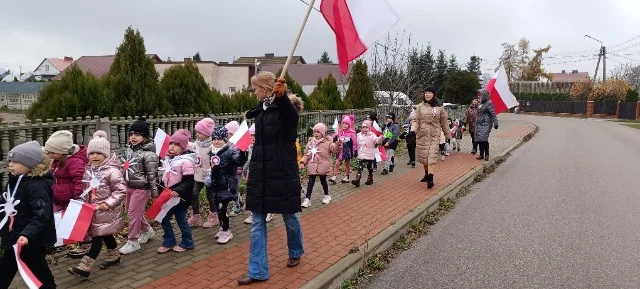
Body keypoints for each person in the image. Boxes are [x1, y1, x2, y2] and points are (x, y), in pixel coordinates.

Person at [239, 72, 304, 285]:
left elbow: (292, 118)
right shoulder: (260, 111)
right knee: (257, 223)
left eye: (256, 88)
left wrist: (283, 97)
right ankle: (257, 271)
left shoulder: (286, 109)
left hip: (282, 173)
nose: (254, 92)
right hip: (262, 172)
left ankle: (295, 250)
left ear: (266, 88)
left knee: (289, 217)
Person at [69, 131, 126, 279]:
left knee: (97, 237)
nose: (94, 156)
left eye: (98, 153)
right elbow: (86, 189)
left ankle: (85, 267)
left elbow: (120, 191)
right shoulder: (89, 170)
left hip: (106, 210)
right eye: (91, 153)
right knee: (105, 234)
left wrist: (108, 203)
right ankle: (115, 256)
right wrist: (81, 200)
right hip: (92, 210)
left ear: (106, 154)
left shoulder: (113, 171)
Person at [0, 141, 57, 289]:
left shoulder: (36, 186)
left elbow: (42, 214)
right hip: (14, 236)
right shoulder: (13, 182)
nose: (11, 164)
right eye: (10, 161)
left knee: (39, 271)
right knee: (6, 269)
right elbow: (5, 204)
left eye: (16, 161)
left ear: (31, 164)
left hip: (31, 241)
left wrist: (28, 234)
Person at [45, 130, 89, 258]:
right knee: (59, 220)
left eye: (52, 152)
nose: (50, 155)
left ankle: (86, 243)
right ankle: (62, 241)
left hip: (72, 199)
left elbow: (79, 180)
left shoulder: (75, 162)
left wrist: (79, 197)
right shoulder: (57, 161)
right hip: (59, 198)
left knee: (77, 222)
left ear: (62, 151)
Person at [118, 118, 159, 255]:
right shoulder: (129, 150)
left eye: (137, 134)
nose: (133, 137)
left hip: (142, 188)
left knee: (132, 213)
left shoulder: (149, 154)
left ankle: (133, 241)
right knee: (134, 212)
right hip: (129, 186)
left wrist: (155, 194)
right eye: (131, 134)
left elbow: (153, 176)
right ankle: (147, 231)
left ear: (145, 136)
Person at [205, 126, 247, 244]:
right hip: (216, 185)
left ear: (225, 139)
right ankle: (222, 227)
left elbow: (239, 161)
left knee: (222, 209)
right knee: (219, 208)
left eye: (219, 139)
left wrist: (243, 152)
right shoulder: (212, 151)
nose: (216, 141)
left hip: (227, 186)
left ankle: (226, 231)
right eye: (214, 139)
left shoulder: (230, 151)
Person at [157, 129, 196, 253]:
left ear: (183, 147)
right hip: (168, 197)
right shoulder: (167, 160)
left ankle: (187, 241)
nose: (172, 146)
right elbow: (164, 178)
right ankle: (169, 240)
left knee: (181, 220)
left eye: (176, 145)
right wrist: (160, 191)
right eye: (171, 143)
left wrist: (178, 190)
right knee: (163, 218)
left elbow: (189, 181)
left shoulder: (186, 161)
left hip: (180, 198)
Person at [410, 86, 451, 189]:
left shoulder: (439, 107)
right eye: (425, 93)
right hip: (422, 135)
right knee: (424, 157)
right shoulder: (420, 106)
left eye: (429, 92)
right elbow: (416, 120)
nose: (427, 94)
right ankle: (426, 173)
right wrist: (413, 130)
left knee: (432, 156)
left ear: (433, 94)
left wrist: (447, 134)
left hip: (434, 134)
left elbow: (444, 122)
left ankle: (431, 179)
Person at [299, 123, 340, 208]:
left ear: (323, 133)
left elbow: (334, 149)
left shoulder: (328, 143)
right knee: (310, 182)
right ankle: (307, 199)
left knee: (323, 181)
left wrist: (338, 145)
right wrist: (303, 162)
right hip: (312, 166)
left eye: (318, 132)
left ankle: (327, 195)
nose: (316, 134)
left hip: (323, 167)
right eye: (314, 132)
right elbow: (307, 154)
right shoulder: (310, 143)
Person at [188, 117, 216, 228]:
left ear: (207, 133)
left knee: (210, 196)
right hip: (198, 174)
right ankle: (196, 216)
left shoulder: (212, 146)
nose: (198, 134)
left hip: (209, 176)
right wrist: (184, 143)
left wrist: (211, 171)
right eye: (197, 132)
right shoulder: (198, 143)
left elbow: (215, 161)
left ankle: (214, 216)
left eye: (200, 132)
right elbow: (193, 147)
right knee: (193, 194)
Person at [352, 121, 384, 187]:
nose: (364, 129)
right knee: (360, 168)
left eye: (366, 127)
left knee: (369, 167)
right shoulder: (359, 135)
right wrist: (354, 150)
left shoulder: (372, 135)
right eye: (363, 127)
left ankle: (370, 178)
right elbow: (356, 143)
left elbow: (376, 140)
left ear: (369, 128)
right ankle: (357, 180)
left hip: (369, 154)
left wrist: (381, 138)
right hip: (361, 154)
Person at [225, 121, 245, 218]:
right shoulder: (230, 143)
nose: (226, 135)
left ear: (232, 133)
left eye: (227, 133)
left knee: (232, 189)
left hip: (237, 171)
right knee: (233, 188)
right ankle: (240, 202)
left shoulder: (239, 144)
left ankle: (236, 207)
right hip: (230, 170)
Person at [330, 115, 357, 184]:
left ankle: (347, 177)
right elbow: (334, 137)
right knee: (337, 163)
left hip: (347, 151)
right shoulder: (340, 132)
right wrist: (332, 138)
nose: (344, 125)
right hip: (340, 151)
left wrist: (355, 151)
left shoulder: (352, 133)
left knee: (347, 164)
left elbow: (354, 143)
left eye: (346, 124)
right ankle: (335, 176)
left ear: (349, 125)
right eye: (343, 123)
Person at [474, 89, 499, 161]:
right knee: (480, 139)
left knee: (484, 139)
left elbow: (493, 113)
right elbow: (479, 113)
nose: (479, 96)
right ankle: (481, 154)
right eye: (478, 95)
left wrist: (496, 122)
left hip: (486, 123)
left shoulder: (489, 103)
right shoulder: (480, 103)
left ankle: (487, 154)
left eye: (480, 95)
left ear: (484, 95)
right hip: (479, 123)